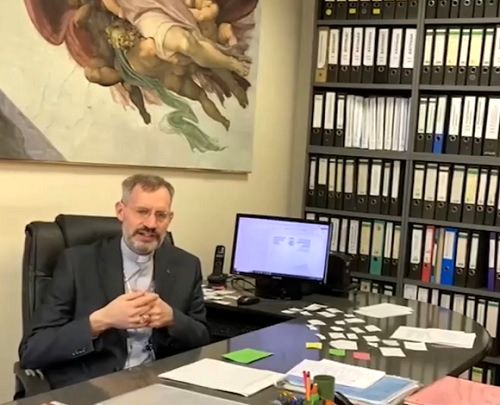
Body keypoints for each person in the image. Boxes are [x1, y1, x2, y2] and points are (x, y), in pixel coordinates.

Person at [18, 174, 210, 390]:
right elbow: (32, 351)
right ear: (121, 211)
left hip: (160, 386)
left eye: (161, 215)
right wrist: (101, 320)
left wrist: (172, 318)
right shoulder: (77, 263)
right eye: (142, 212)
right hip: (95, 388)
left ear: (170, 218)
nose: (151, 224)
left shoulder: (186, 265)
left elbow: (202, 338)